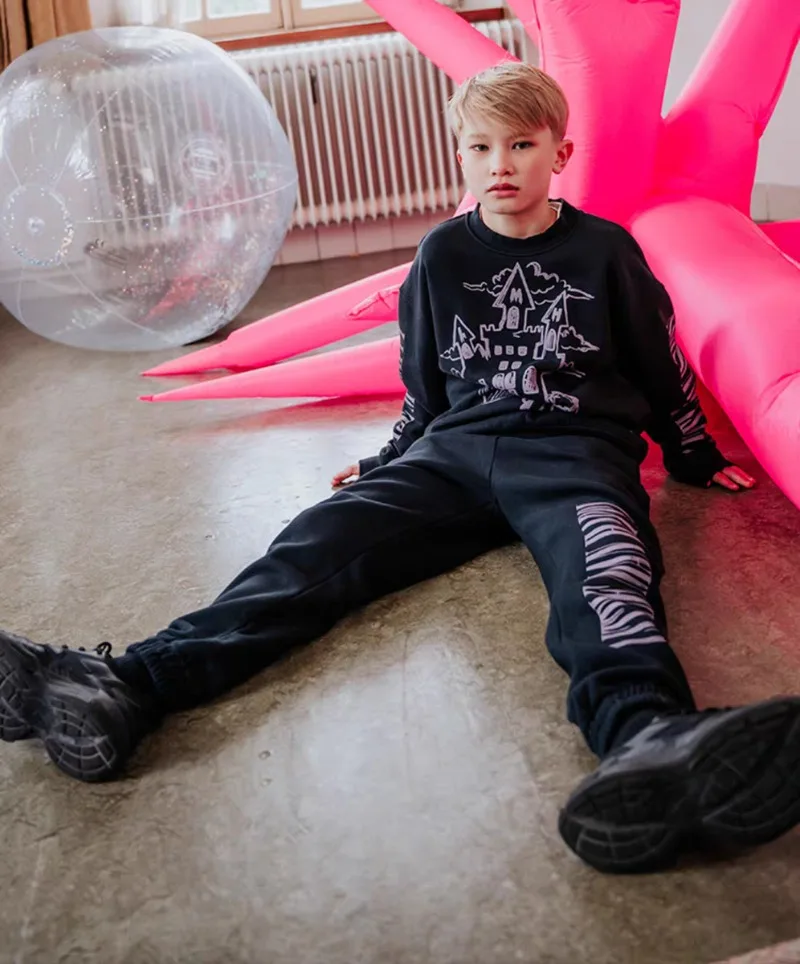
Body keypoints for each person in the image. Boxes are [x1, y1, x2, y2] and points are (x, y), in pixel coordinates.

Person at [2, 62, 799, 876]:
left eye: (521, 145)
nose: (500, 164)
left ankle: (647, 737)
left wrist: (695, 454)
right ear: (461, 156)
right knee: (312, 547)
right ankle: (130, 683)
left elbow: (662, 364)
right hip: (455, 454)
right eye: (481, 147)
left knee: (608, 576)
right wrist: (390, 461)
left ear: (560, 154)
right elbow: (424, 385)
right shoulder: (443, 254)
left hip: (574, 457)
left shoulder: (606, 252)